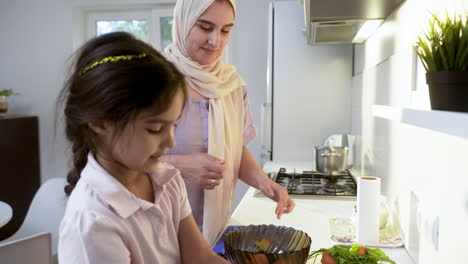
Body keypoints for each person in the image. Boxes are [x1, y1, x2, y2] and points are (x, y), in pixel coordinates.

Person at [57, 32, 229, 264]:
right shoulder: (93, 224)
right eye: (155, 128)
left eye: (174, 125)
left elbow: (201, 258)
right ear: (99, 122)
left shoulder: (167, 180)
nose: (171, 142)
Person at [162, 0, 295, 246]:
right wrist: (180, 166)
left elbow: (235, 149)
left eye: (225, 30)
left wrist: (264, 182)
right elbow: (121, 163)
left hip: (215, 228)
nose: (216, 41)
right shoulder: (154, 81)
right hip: (162, 231)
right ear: (183, 23)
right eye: (205, 27)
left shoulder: (232, 86)